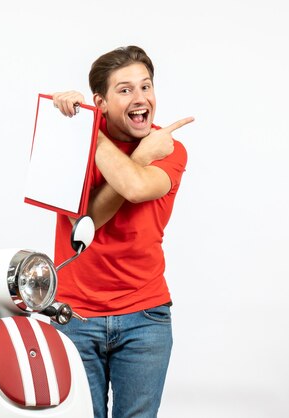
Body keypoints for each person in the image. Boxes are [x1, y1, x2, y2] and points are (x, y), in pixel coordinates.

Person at [51, 45, 193, 418]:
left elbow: (134, 187)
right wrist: (88, 132)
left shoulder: (170, 148)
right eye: (126, 90)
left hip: (145, 317)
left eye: (146, 87)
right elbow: (86, 224)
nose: (140, 98)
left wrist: (93, 137)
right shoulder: (71, 142)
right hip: (75, 315)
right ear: (101, 102)